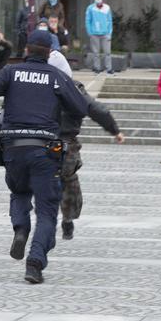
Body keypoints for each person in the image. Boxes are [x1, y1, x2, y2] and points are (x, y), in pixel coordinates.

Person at [0, 29, 88, 284]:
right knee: (47, 210)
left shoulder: (10, 73)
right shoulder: (56, 76)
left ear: (26, 50)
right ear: (49, 53)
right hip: (45, 151)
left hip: (13, 148)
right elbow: (80, 107)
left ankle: (21, 228)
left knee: (19, 192)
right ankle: (35, 263)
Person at [56, 72, 125, 241]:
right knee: (69, 180)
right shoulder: (72, 86)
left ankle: (26, 221)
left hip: (37, 143)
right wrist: (114, 130)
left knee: (34, 181)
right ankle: (68, 218)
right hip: (65, 144)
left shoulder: (33, 82)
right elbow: (95, 109)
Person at [85, 0, 114, 74]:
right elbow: (88, 20)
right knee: (95, 53)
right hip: (94, 33)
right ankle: (97, 68)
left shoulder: (107, 8)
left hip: (105, 34)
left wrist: (109, 33)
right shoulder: (90, 8)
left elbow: (110, 21)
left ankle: (109, 68)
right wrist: (89, 32)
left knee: (107, 52)